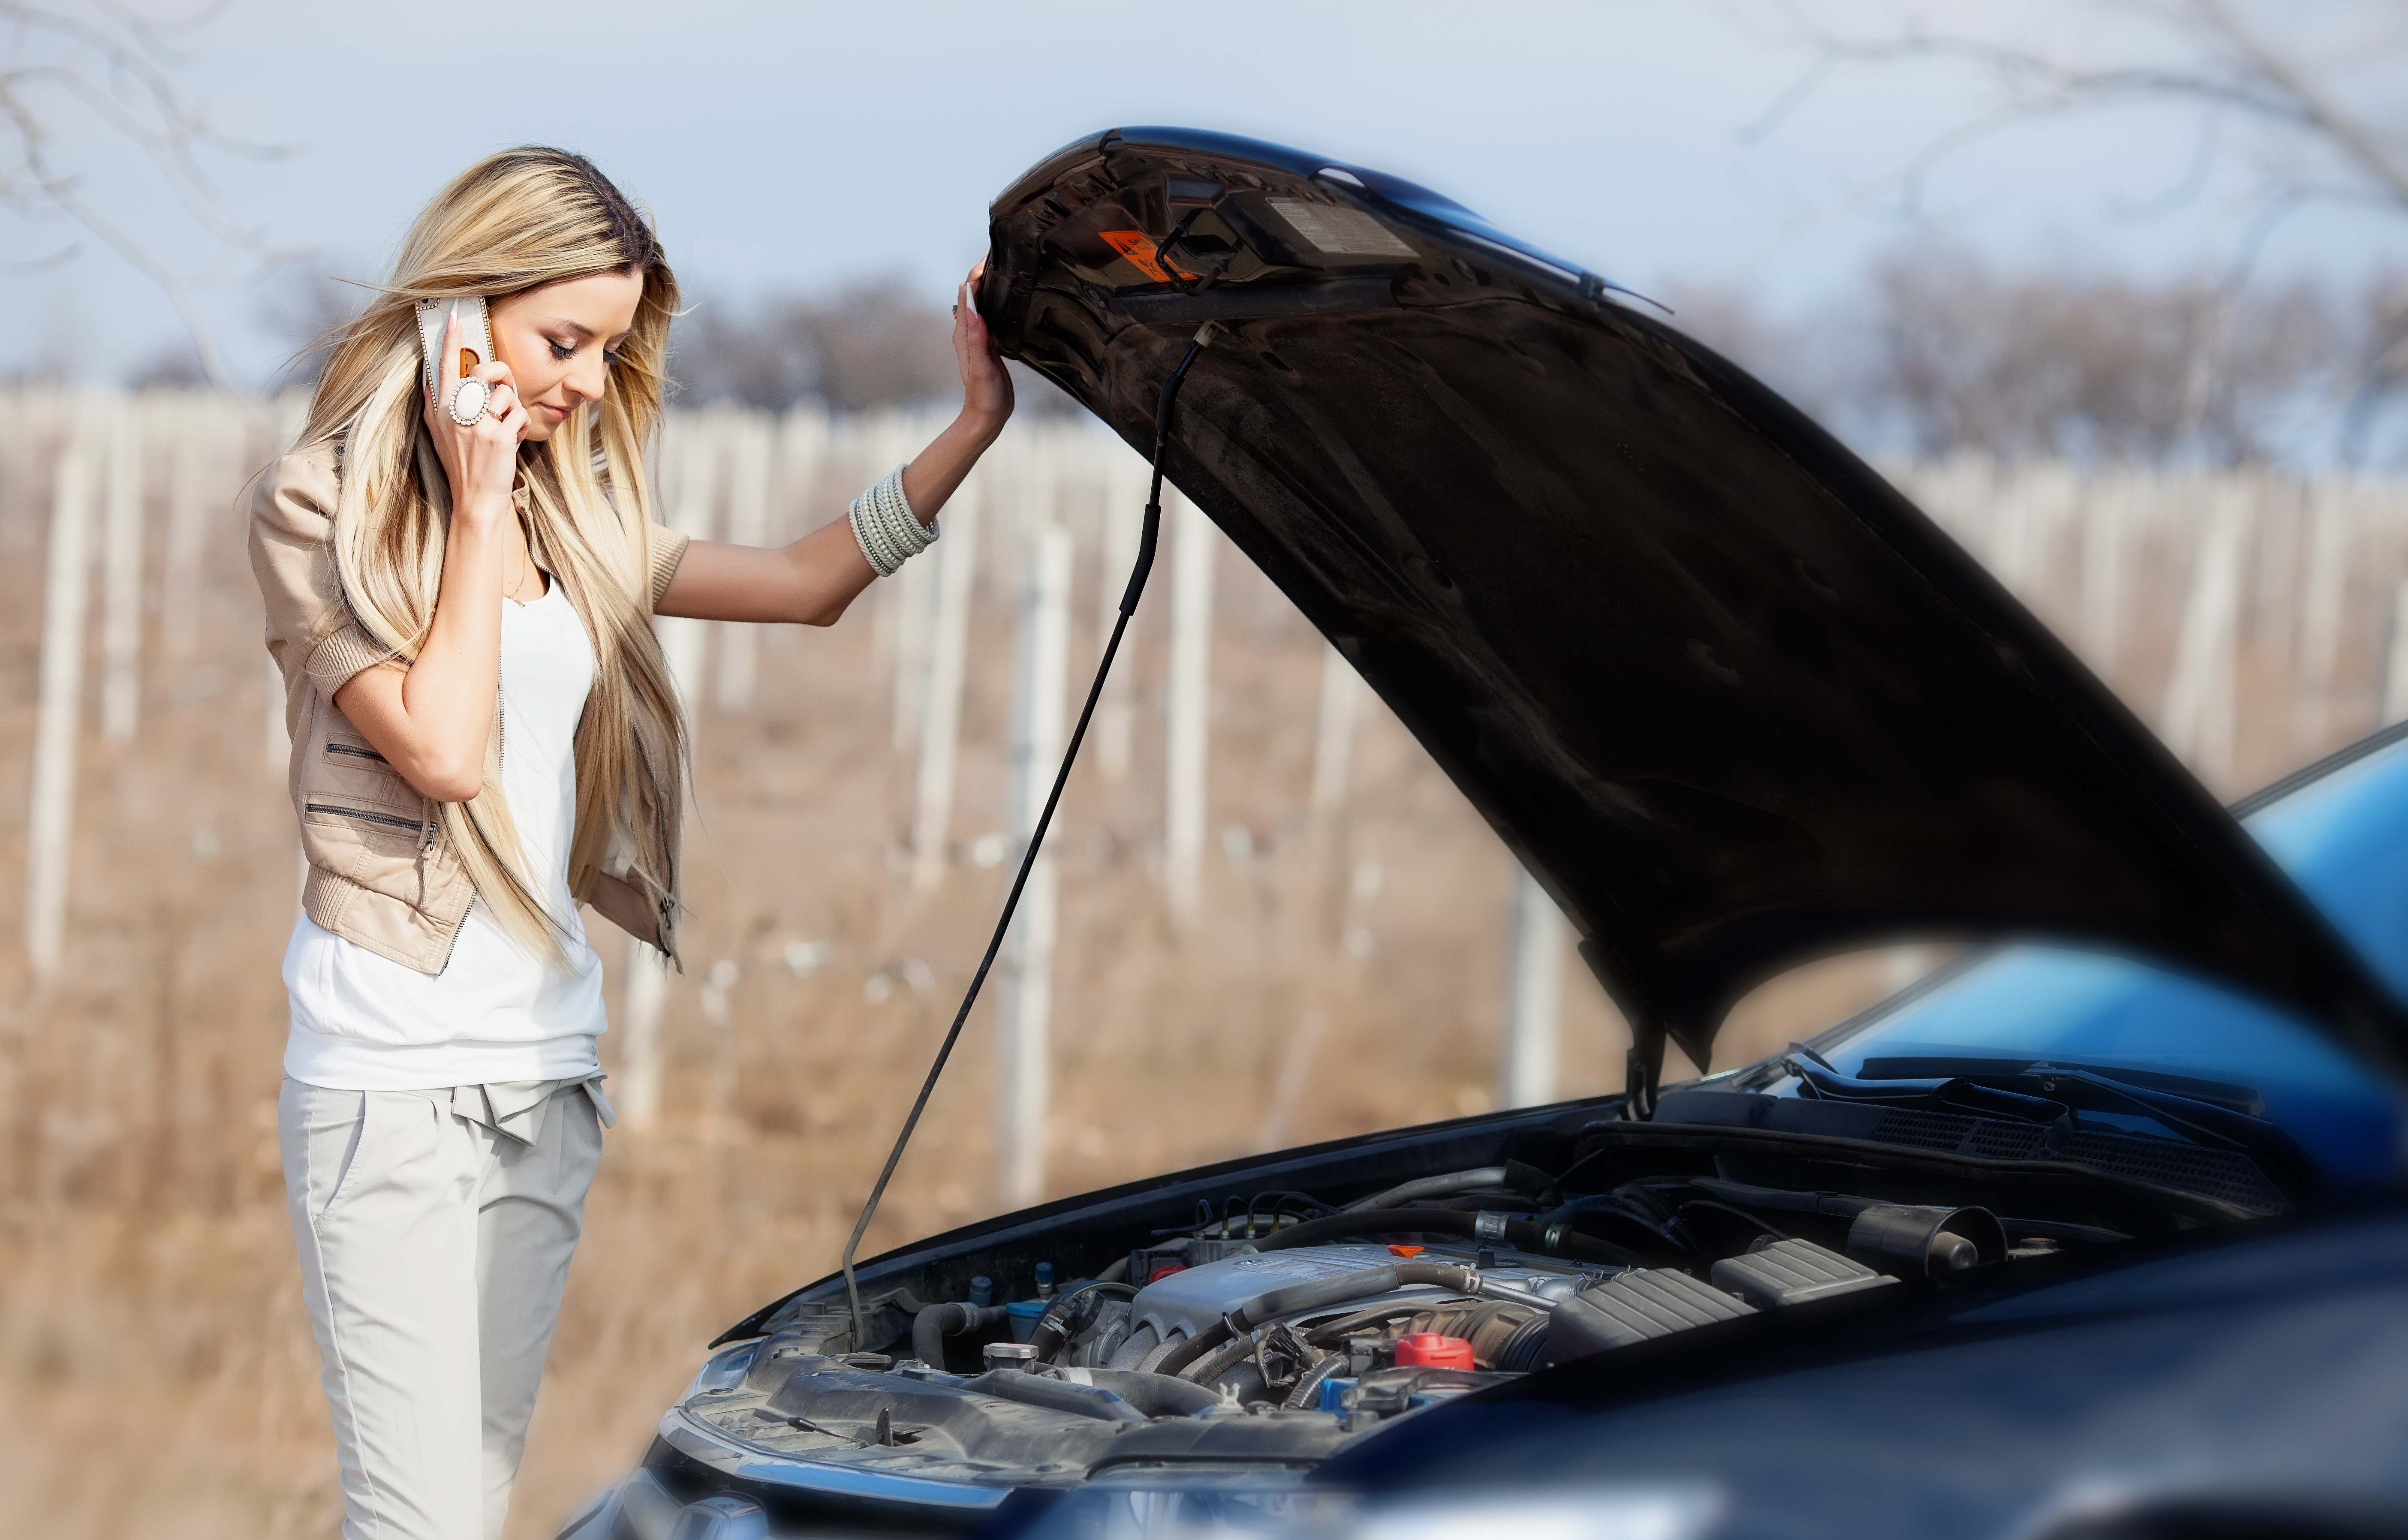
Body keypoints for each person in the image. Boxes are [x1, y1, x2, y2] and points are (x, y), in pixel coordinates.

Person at [249, 146, 1011, 1540]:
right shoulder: (319, 510)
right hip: (391, 1094)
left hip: (548, 1086)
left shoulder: (575, 515)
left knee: (469, 1515)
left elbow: (805, 584)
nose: (592, 384)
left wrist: (973, 427)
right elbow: (443, 750)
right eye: (565, 342)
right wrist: (478, 504)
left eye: (610, 350)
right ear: (460, 309)